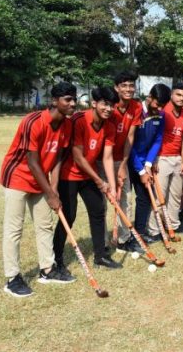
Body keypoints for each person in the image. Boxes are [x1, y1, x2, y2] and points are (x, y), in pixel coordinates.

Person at [1, 82, 77, 297]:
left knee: (45, 225)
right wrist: (50, 193)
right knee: (14, 228)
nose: (73, 103)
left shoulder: (67, 124)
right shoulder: (33, 121)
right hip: (18, 176)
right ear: (54, 101)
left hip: (41, 179)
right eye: (68, 100)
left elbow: (58, 158)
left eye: (74, 99)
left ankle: (47, 270)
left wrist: (53, 189)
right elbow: (32, 162)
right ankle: (12, 278)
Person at [53, 86, 121, 270]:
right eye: (104, 104)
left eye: (111, 106)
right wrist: (100, 181)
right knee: (69, 215)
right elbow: (77, 156)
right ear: (94, 103)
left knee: (98, 210)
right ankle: (56, 258)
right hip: (69, 175)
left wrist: (112, 187)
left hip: (87, 174)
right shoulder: (79, 120)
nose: (108, 109)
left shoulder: (110, 126)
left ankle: (100, 256)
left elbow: (107, 157)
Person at [146, 82, 183, 241]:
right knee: (160, 196)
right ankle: (154, 229)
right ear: (172, 95)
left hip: (177, 159)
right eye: (178, 95)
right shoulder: (162, 111)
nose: (182, 98)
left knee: (176, 196)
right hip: (162, 158)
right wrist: (154, 158)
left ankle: (172, 225)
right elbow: (154, 137)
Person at [103, 71, 142, 253]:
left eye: (131, 85)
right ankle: (102, 242)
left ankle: (123, 239)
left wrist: (124, 164)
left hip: (121, 159)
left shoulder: (136, 107)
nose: (128, 89)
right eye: (124, 85)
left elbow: (130, 137)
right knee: (104, 201)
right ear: (116, 87)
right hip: (102, 160)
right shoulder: (109, 106)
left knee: (125, 199)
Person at [128, 84, 169, 244]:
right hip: (129, 160)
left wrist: (149, 164)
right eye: (157, 104)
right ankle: (124, 236)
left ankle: (139, 232)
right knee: (126, 198)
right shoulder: (137, 112)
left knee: (144, 197)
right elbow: (130, 145)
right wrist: (140, 170)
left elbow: (157, 140)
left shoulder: (161, 115)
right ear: (149, 97)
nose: (158, 108)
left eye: (162, 106)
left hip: (145, 162)